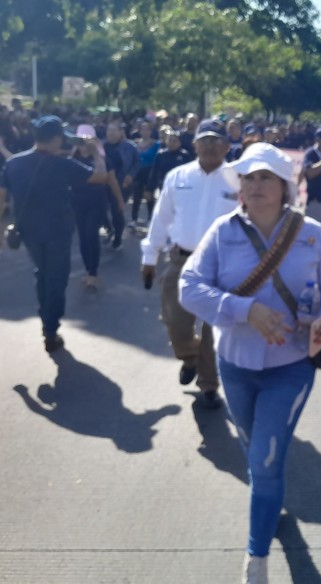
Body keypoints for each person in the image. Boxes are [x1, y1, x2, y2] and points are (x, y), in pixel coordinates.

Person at [179, 142, 321, 584]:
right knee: (259, 455)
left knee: (265, 461)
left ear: (285, 187)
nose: (254, 186)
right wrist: (243, 310)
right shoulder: (222, 231)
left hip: (291, 366)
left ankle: (256, 563)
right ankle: (269, 505)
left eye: (264, 178)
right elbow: (189, 289)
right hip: (235, 364)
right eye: (247, 178)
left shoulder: (312, 233)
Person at [140, 119, 238, 408]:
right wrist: (149, 256)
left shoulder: (239, 179)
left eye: (216, 141)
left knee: (213, 329)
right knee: (175, 320)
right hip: (181, 260)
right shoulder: (177, 176)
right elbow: (161, 218)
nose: (209, 146)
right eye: (204, 140)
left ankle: (209, 384)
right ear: (193, 144)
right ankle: (189, 357)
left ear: (227, 146)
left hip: (223, 266)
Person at [0, 115, 107, 352]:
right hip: (58, 230)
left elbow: (2, 197)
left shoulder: (14, 163)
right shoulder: (63, 165)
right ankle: (50, 328)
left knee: (43, 272)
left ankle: (46, 318)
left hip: (28, 231)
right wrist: (97, 151)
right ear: (56, 138)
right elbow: (100, 176)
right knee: (56, 279)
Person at [70, 125, 126, 289]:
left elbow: (111, 180)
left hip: (97, 202)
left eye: (87, 140)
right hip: (78, 203)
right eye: (81, 140)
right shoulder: (73, 159)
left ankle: (93, 273)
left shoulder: (102, 158)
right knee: (82, 237)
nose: (83, 143)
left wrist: (120, 201)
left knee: (91, 234)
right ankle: (88, 270)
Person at [103, 121, 139, 249]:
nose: (111, 133)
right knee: (101, 209)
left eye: (114, 130)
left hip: (122, 184)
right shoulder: (101, 146)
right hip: (104, 183)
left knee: (117, 211)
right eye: (109, 130)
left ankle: (117, 238)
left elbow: (136, 163)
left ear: (120, 133)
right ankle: (108, 228)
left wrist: (131, 175)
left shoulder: (130, 147)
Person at [130, 121, 160, 229]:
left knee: (149, 196)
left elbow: (157, 159)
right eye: (143, 129)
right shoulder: (135, 144)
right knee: (136, 196)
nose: (145, 131)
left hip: (150, 172)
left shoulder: (156, 144)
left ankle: (150, 218)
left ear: (151, 131)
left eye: (147, 129)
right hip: (138, 172)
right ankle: (134, 219)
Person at [146, 129, 192, 198]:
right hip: (164, 186)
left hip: (181, 187)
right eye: (170, 140)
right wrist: (149, 189)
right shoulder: (161, 154)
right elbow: (154, 172)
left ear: (179, 143)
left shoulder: (185, 155)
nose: (172, 143)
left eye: (174, 141)